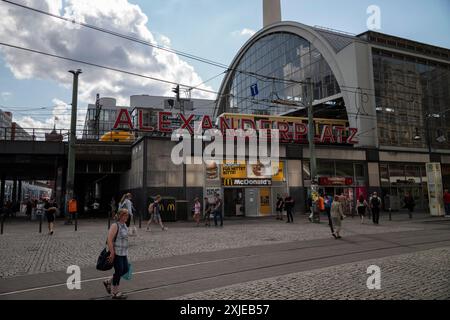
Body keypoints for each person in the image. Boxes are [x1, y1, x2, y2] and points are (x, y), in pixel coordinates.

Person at [103, 208, 130, 299]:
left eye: (127, 215)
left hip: (123, 252)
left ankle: (108, 281)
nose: (126, 217)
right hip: (117, 253)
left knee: (125, 269)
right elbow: (109, 240)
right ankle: (115, 293)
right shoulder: (115, 225)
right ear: (120, 216)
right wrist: (112, 253)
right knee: (119, 271)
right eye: (124, 215)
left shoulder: (124, 225)